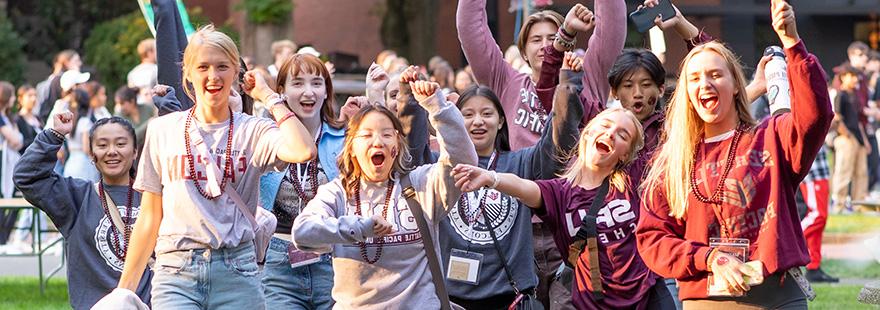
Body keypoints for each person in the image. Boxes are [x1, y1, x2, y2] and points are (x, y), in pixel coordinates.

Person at [636, 1, 832, 308]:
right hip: (707, 298)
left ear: (737, 86)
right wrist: (710, 258)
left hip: (777, 295)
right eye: (695, 78)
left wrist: (791, 41)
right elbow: (653, 238)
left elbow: (815, 116)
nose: (705, 83)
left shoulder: (771, 136)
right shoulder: (671, 159)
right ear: (685, 91)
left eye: (716, 74)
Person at [113, 25, 316, 309]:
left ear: (236, 72)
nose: (213, 76)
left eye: (222, 67)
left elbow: (303, 149)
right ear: (188, 73)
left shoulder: (254, 130)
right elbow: (149, 217)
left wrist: (269, 96)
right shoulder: (162, 130)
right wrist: (123, 293)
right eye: (203, 66)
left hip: (236, 270)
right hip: (176, 271)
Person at [401, 58, 584, 308]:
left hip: (508, 297)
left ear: (500, 121)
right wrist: (411, 99)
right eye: (467, 115)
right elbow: (410, 154)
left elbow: (557, 147)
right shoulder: (436, 167)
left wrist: (568, 86)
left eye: (487, 114)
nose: (478, 121)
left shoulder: (522, 164)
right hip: (449, 297)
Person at [453, 107, 676, 309]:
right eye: (606, 126)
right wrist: (490, 177)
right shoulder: (559, 192)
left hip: (648, 297)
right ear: (588, 132)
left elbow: (675, 145)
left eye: (622, 135)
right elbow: (523, 186)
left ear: (625, 154)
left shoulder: (633, 178)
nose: (611, 134)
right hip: (593, 303)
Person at [292, 81, 478, 309]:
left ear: (397, 146)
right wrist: (360, 227)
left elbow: (463, 161)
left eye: (387, 135)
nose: (378, 142)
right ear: (351, 147)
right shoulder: (337, 192)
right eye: (367, 135)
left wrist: (437, 106)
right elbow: (302, 232)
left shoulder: (421, 185)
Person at [14, 115, 152, 309]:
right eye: (102, 145)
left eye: (121, 144)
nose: (112, 151)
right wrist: (54, 135)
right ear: (92, 154)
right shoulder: (76, 197)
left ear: (135, 151)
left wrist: (168, 110)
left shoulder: (154, 198)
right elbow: (26, 177)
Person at [457, 0, 624, 151]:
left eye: (552, 38)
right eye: (536, 40)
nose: (545, 46)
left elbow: (612, 26)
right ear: (523, 52)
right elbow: (470, 29)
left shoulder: (589, 79)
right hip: (519, 181)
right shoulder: (505, 82)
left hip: (574, 181)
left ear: (567, 44)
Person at [258, 53, 344, 309]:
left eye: (317, 83)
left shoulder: (344, 138)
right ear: (281, 91)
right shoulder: (264, 135)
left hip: (333, 258)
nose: (309, 92)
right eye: (298, 83)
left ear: (327, 91)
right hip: (278, 260)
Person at [831, 66, 869, 213]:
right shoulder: (840, 95)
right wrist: (847, 135)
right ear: (843, 77)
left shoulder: (855, 95)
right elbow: (837, 117)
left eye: (856, 77)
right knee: (843, 172)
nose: (855, 79)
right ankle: (839, 205)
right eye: (851, 76)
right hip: (845, 138)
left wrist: (864, 141)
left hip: (858, 139)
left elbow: (858, 121)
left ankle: (858, 205)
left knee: (861, 173)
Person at [37, 50, 82, 125]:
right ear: (67, 62)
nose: (80, 63)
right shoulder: (60, 80)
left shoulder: (58, 78)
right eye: (76, 61)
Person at [114, 86, 154, 157]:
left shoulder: (147, 109)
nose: (121, 107)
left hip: (151, 151)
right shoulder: (119, 117)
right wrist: (149, 123)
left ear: (132, 101)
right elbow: (130, 138)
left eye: (122, 103)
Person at [128, 38, 159, 105]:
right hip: (155, 107)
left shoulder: (132, 73)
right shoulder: (156, 70)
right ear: (149, 53)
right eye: (156, 50)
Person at [15, 84, 41, 153]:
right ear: (20, 99)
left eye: (35, 95)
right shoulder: (17, 120)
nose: (33, 99)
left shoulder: (37, 118)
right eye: (30, 95)